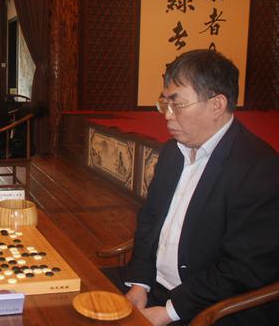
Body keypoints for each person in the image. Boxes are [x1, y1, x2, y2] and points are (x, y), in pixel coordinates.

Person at [104, 49, 279, 326]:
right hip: (155, 285)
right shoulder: (173, 151)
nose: (167, 115)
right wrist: (139, 284)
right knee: (68, 294)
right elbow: (150, 219)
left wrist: (168, 311)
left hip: (214, 306)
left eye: (177, 104)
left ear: (217, 105)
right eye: (165, 104)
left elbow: (242, 268)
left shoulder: (259, 168)